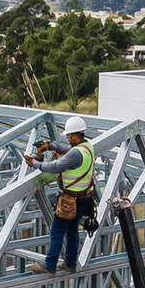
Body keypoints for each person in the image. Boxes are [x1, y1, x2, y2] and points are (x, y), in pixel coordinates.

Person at [24, 115, 96, 274]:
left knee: (56, 231)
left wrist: (35, 163)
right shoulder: (88, 147)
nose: (68, 138)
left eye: (69, 136)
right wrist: (51, 146)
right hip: (85, 199)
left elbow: (56, 166)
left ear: (75, 135)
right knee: (72, 231)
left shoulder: (76, 153)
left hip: (71, 200)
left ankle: (49, 265)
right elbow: (69, 151)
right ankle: (70, 263)